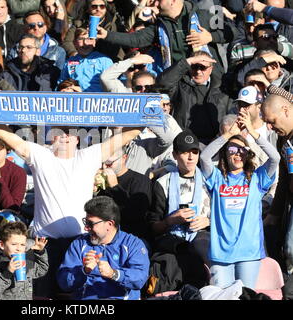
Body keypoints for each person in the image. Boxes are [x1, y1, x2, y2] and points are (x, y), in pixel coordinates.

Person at [0, 122, 144, 298]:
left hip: (80, 243)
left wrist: (147, 118)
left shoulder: (89, 155)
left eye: (69, 132)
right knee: (41, 296)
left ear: (78, 138)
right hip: (43, 244)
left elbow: (122, 138)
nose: (64, 136)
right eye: (59, 132)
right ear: (51, 137)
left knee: (76, 295)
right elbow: (8, 137)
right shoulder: (40, 155)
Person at [200, 107, 280, 289]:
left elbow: (275, 158)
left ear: (248, 153)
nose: (238, 153)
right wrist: (228, 136)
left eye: (242, 149)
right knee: (221, 296)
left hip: (249, 252)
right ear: (225, 152)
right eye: (233, 149)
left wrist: (252, 133)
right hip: (220, 253)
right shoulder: (217, 178)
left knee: (245, 295)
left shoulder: (257, 178)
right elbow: (204, 157)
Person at [95, 0, 236, 73]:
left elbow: (232, 32)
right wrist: (107, 34)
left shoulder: (203, 15)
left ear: (172, 1)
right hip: (176, 79)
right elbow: (136, 39)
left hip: (206, 77)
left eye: (159, 0)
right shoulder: (159, 25)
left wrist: (210, 37)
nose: (155, 4)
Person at [57, 196, 150, 300]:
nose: (86, 228)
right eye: (85, 222)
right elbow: (63, 283)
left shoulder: (133, 244)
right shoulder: (79, 244)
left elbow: (140, 278)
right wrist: (83, 271)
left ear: (109, 224)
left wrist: (114, 274)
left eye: (90, 224)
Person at [147, 131, 211, 266]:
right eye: (185, 152)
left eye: (195, 152)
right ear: (175, 155)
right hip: (172, 239)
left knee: (203, 247)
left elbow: (225, 217)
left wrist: (208, 221)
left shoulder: (210, 180)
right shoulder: (163, 183)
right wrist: (170, 220)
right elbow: (153, 227)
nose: (191, 157)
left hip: (202, 236)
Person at [156, 50, 233, 145]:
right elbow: (162, 83)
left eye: (203, 67)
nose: (198, 71)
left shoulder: (223, 88)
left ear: (211, 69)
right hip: (184, 141)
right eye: (194, 66)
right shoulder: (180, 85)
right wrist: (187, 62)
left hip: (215, 143)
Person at [260, 85, 293, 274]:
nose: (270, 128)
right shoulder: (283, 139)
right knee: (288, 249)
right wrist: (274, 214)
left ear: (286, 110)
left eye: (272, 121)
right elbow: (282, 179)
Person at [95, 146, 153, 241]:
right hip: (104, 238)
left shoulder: (140, 181)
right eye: (103, 163)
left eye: (109, 164)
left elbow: (137, 214)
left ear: (124, 158)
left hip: (133, 239)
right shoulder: (102, 181)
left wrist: (115, 187)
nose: (105, 167)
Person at [0, 221, 48, 300]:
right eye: (14, 244)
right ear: (2, 245)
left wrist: (40, 252)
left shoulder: (25, 261)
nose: (18, 248)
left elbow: (42, 270)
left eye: (22, 245)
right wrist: (7, 272)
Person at [58, 27, 113, 92]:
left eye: (89, 39)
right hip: (76, 99)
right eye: (81, 39)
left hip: (97, 100)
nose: (85, 43)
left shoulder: (104, 61)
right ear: (74, 43)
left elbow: (113, 86)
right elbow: (61, 83)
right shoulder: (69, 62)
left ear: (94, 42)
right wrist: (66, 89)